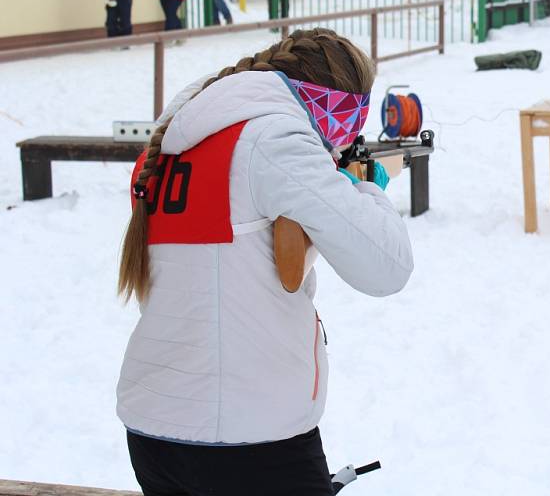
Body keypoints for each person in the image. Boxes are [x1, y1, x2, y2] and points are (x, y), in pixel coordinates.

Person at [116, 28, 413, 496]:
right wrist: (366, 186)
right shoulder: (274, 139)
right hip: (251, 440)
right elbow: (386, 268)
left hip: (156, 429)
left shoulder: (181, 139)